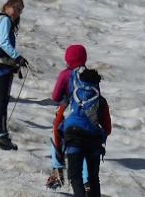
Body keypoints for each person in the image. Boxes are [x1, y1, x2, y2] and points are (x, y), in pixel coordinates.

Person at [58, 68, 111, 197]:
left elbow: (59, 117)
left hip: (72, 136)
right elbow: (107, 128)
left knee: (75, 175)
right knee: (93, 177)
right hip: (93, 140)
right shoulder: (101, 101)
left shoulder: (72, 95)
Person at [0, 0, 29, 150]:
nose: (17, 13)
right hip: (0, 66)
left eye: (20, 11)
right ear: (7, 6)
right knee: (1, 102)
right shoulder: (4, 20)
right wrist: (18, 57)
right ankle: (2, 136)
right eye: (16, 9)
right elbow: (3, 42)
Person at [47, 44, 88, 190]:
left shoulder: (66, 74)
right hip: (88, 119)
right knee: (83, 147)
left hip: (69, 116)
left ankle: (58, 171)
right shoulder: (90, 75)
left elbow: (55, 96)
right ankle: (87, 180)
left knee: (57, 135)